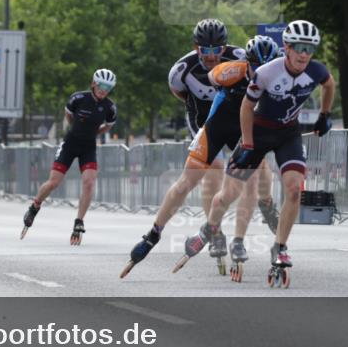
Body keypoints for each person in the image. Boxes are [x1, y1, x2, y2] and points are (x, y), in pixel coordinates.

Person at [182, 20, 334, 287]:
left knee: (294, 189)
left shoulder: (316, 70)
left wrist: (324, 115)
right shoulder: (266, 72)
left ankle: (280, 247)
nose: (303, 54)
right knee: (229, 195)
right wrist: (249, 143)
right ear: (286, 47)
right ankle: (209, 227)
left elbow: (329, 85)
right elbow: (245, 108)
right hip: (258, 134)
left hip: (288, 134)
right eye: (298, 48)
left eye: (309, 49)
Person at [121, 35, 280, 279]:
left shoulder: (274, 79)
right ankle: (153, 234)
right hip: (213, 126)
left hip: (242, 128)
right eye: (256, 67)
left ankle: (252, 222)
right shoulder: (231, 68)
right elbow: (212, 77)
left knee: (256, 175)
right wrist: (222, 76)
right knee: (189, 180)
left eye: (266, 68)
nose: (261, 72)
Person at [21, 69, 117, 244]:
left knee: (89, 183)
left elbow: (108, 125)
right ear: (94, 84)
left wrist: (94, 133)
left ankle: (79, 221)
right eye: (102, 85)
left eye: (108, 87)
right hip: (70, 143)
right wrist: (77, 129)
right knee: (54, 183)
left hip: (88, 146)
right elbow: (69, 115)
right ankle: (35, 206)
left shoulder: (110, 107)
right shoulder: (78, 99)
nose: (104, 90)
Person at [167, 19, 247, 216]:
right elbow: (178, 92)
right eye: (205, 50)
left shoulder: (241, 58)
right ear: (196, 48)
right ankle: (214, 231)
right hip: (202, 120)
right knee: (215, 169)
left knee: (249, 170)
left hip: (233, 118)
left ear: (225, 47)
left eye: (216, 50)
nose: (211, 56)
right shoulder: (181, 70)